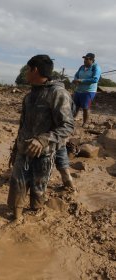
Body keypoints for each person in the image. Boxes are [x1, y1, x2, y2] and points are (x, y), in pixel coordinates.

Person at [8, 54, 74, 222]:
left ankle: (35, 214)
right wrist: (15, 150)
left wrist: (43, 139)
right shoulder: (29, 97)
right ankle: (16, 219)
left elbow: (67, 126)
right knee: (17, 185)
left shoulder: (58, 94)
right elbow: (22, 126)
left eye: (27, 70)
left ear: (34, 70)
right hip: (24, 151)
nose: (25, 74)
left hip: (44, 154)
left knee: (38, 192)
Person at [73, 53, 101, 127]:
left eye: (87, 59)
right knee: (75, 106)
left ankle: (85, 123)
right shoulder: (82, 67)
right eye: (84, 59)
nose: (85, 60)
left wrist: (81, 81)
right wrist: (75, 80)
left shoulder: (96, 67)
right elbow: (76, 75)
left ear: (92, 60)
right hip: (78, 90)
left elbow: (95, 79)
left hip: (88, 91)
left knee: (85, 108)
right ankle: (71, 121)